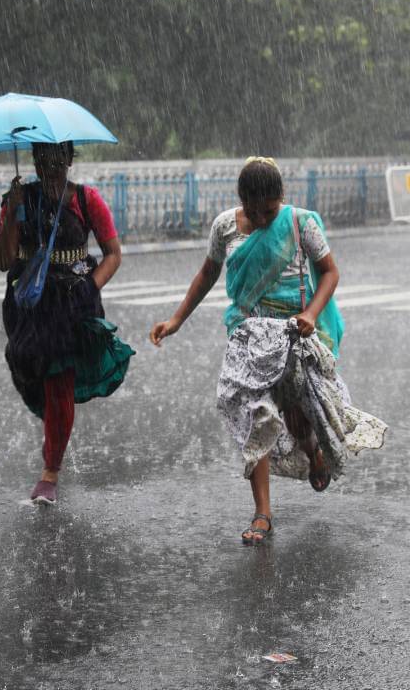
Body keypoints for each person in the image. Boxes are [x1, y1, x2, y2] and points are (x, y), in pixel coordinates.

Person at [149, 157, 386, 544]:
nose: (261, 219)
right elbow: (208, 273)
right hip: (247, 336)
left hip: (295, 334)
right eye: (253, 210)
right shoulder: (225, 226)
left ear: (281, 199)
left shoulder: (300, 222)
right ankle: (262, 513)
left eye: (269, 211)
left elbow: (330, 271)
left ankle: (314, 452)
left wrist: (310, 313)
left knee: (300, 414)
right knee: (255, 415)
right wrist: (176, 320)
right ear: (241, 200)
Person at [0, 140, 134, 505]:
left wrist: (89, 288)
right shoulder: (17, 200)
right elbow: (3, 260)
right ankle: (53, 432)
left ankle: (50, 471)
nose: (51, 169)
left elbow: (113, 254)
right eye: (43, 161)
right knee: (28, 372)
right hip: (27, 309)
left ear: (70, 160)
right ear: (34, 162)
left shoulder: (86, 200)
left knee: (59, 383)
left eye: (58, 162)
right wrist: (13, 212)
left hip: (72, 306)